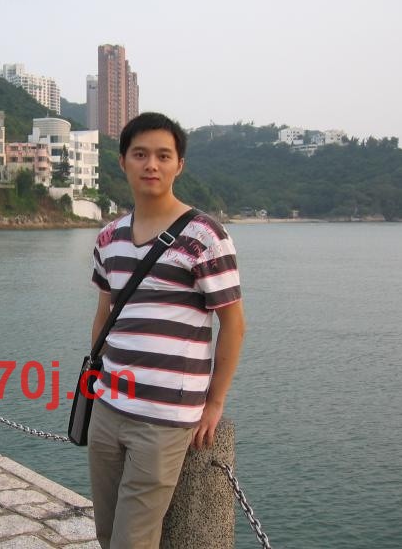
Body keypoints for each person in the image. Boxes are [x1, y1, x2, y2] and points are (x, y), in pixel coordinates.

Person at [89, 112, 245, 548]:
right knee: (106, 532)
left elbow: (234, 324)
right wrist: (95, 381)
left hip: (164, 419)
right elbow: (103, 314)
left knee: (132, 540)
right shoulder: (109, 238)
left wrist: (214, 402)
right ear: (123, 161)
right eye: (140, 154)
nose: (151, 165)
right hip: (108, 405)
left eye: (163, 155)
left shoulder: (205, 237)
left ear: (179, 165)